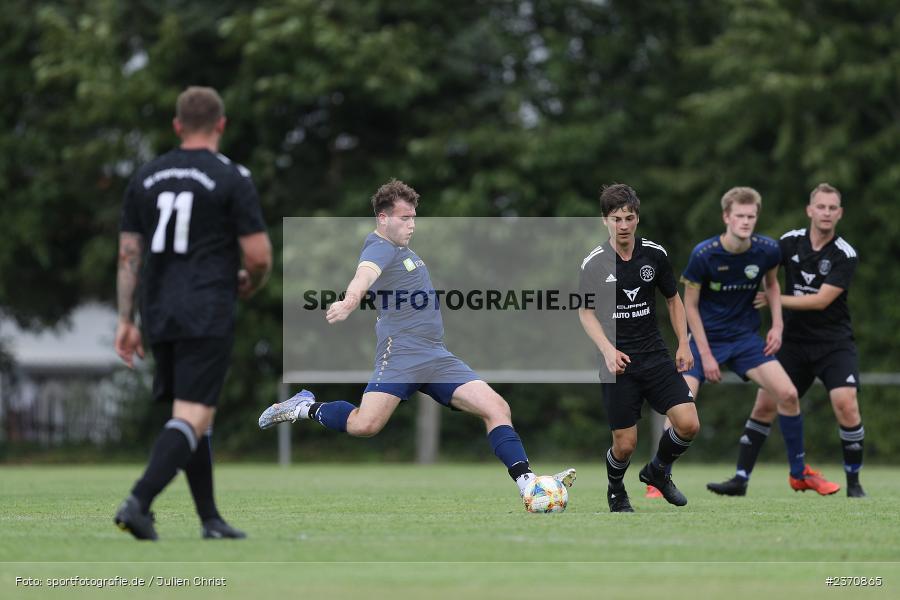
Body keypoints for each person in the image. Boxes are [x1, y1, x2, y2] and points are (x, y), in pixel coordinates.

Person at [258, 179, 575, 503]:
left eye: (413, 217)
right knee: (365, 425)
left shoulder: (402, 250)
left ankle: (528, 486)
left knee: (496, 407)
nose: (411, 224)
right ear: (383, 218)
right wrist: (349, 300)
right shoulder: (379, 247)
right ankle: (304, 408)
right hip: (402, 354)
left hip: (435, 355)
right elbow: (363, 277)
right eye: (404, 218)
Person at [114, 86, 272, 540]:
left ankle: (210, 520)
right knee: (194, 414)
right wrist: (250, 282)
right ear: (221, 125)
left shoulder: (145, 176)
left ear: (177, 127)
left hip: (158, 308)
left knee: (197, 415)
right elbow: (258, 256)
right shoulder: (231, 176)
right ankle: (138, 502)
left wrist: (127, 320)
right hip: (205, 306)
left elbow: (129, 255)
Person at [653, 187, 837, 498]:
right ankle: (660, 473)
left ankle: (799, 473)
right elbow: (690, 306)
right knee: (680, 406)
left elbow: (773, 287)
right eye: (739, 215)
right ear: (726, 217)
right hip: (703, 339)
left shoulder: (767, 250)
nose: (746, 221)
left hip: (744, 339)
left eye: (751, 216)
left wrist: (777, 325)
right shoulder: (704, 254)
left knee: (788, 394)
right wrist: (706, 355)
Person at [709, 183, 863, 497]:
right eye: (821, 207)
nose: (826, 213)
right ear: (810, 210)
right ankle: (740, 479)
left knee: (845, 404)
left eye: (832, 208)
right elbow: (759, 265)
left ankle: (854, 484)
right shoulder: (789, 242)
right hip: (792, 343)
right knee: (765, 404)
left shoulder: (844, 254)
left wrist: (772, 300)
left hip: (834, 344)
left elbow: (821, 301)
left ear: (840, 214)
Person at [577, 183, 699, 513]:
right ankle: (616, 489)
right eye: (616, 219)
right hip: (617, 362)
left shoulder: (655, 255)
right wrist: (606, 349)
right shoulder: (594, 264)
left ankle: (657, 471)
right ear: (605, 221)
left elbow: (673, 301)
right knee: (625, 444)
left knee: (688, 423)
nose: (624, 225)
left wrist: (683, 344)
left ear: (637, 217)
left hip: (655, 355)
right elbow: (585, 312)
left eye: (629, 217)